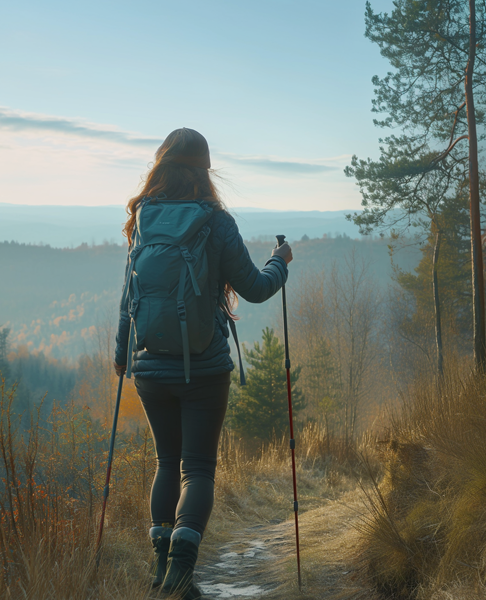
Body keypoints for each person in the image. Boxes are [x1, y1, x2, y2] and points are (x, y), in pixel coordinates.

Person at [113, 128, 292, 599]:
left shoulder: (144, 217)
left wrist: (121, 355)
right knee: (198, 470)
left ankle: (160, 570)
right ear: (205, 171)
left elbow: (128, 295)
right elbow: (253, 288)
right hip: (204, 368)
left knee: (166, 463)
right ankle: (181, 573)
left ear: (162, 165)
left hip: (149, 365)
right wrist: (281, 262)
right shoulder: (216, 221)